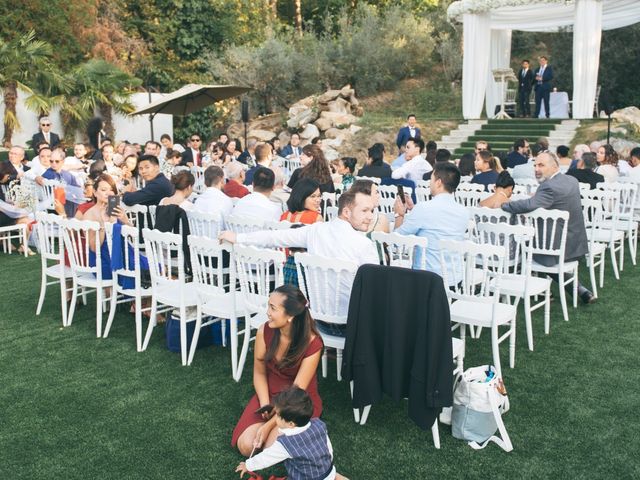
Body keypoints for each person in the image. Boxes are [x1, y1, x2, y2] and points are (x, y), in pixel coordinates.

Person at [230, 285, 323, 455]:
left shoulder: (313, 344)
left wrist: (268, 426)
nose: (267, 312)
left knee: (272, 446)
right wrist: (265, 404)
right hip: (269, 393)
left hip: (296, 401)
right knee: (246, 446)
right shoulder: (263, 331)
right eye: (268, 306)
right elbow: (259, 372)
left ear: (290, 316)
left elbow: (296, 393)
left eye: (273, 308)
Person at [492, 151, 595, 304]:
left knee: (523, 249)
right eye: (535, 165)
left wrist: (505, 204)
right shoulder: (571, 180)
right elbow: (548, 201)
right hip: (575, 242)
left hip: (560, 247)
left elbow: (529, 205)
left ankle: (541, 291)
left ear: (554, 167)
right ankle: (581, 290)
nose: (536, 169)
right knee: (533, 245)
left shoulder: (549, 187)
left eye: (541, 165)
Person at [236, 386, 339, 480]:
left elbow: (267, 458)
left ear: (290, 424)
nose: (276, 418)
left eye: (278, 416)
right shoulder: (318, 424)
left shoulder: (286, 443)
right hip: (328, 472)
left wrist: (248, 465)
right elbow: (327, 447)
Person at [393, 162, 469, 284]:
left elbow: (397, 241)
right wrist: (413, 209)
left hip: (426, 281)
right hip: (454, 280)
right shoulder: (464, 211)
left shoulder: (424, 209)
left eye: (431, 179)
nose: (430, 183)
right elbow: (437, 224)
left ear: (438, 182)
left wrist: (399, 215)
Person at [82, 174, 131, 279]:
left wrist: (125, 220)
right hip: (102, 260)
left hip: (124, 253)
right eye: (103, 190)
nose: (108, 193)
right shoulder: (89, 215)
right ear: (95, 192)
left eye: (111, 189)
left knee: (155, 270)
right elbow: (94, 248)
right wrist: (103, 224)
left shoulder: (116, 209)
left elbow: (132, 235)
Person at [280, 178, 323, 285]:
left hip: (283, 269)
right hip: (305, 272)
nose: (318, 200)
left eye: (319, 196)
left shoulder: (284, 216)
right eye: (313, 196)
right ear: (301, 197)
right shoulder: (316, 218)